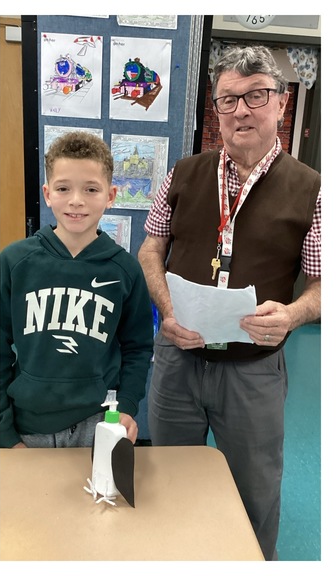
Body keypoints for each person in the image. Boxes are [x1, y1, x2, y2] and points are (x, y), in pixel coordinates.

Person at [137, 45, 320, 561]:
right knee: (171, 478)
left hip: (253, 370)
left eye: (256, 95)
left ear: (281, 104)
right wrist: (167, 310)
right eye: (228, 99)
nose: (241, 110)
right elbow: (151, 248)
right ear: (214, 110)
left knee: (255, 489)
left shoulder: (311, 190)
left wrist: (292, 314)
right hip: (178, 359)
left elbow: (322, 285)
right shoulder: (183, 174)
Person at [0, 131, 153, 450]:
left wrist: (126, 406)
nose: (76, 200)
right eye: (64, 188)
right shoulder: (16, 261)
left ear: (110, 196)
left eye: (91, 189)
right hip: (29, 425)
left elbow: (138, 347)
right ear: (47, 193)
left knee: (97, 501)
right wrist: (4, 431)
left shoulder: (125, 270)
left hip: (99, 423)